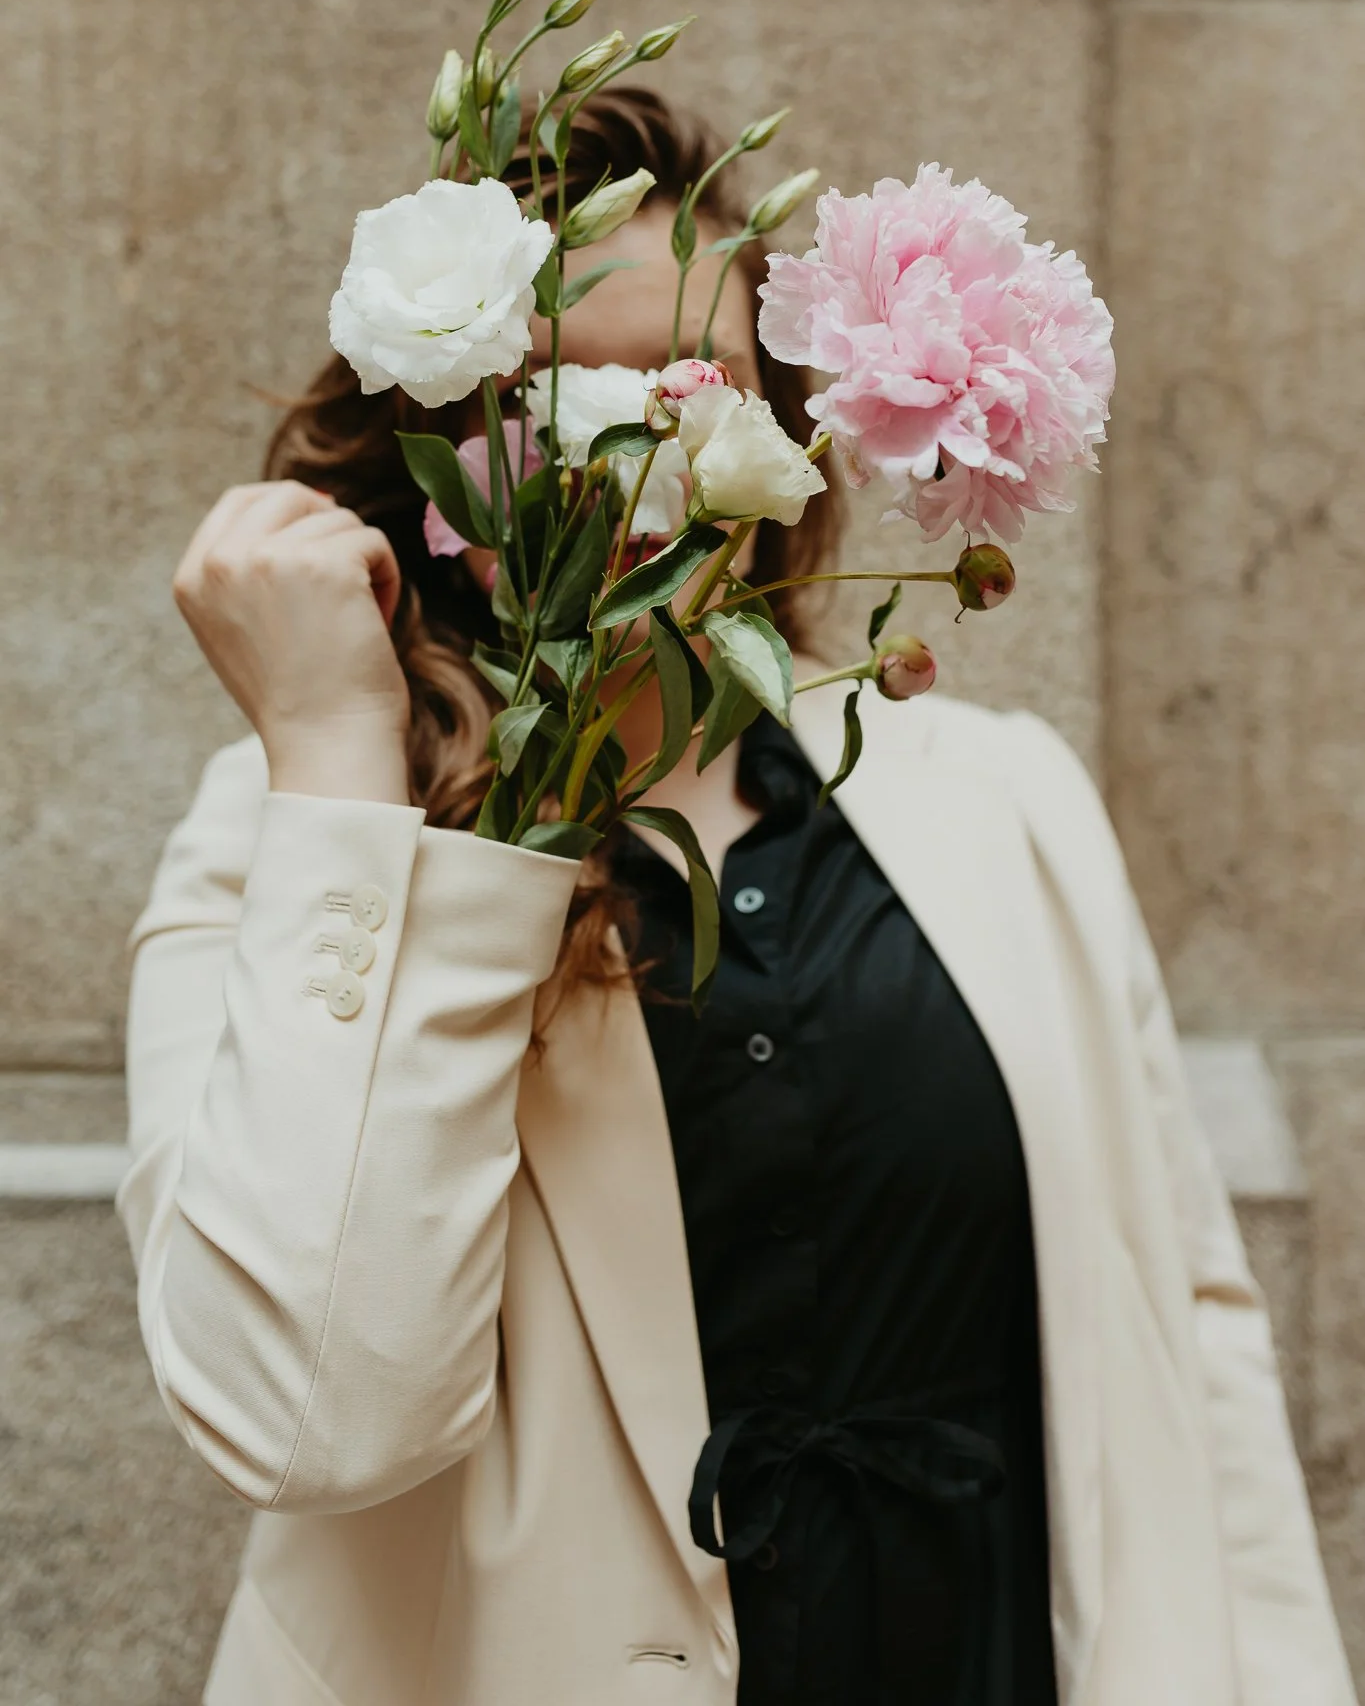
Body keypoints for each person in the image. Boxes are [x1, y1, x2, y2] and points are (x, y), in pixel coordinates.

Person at [120, 89, 1354, 1706]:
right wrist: (344, 752)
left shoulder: (1006, 804)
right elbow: (309, 1417)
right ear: (443, 442)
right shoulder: (297, 842)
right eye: (564, 394)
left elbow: (1187, 1332)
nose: (639, 443)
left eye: (693, 384)